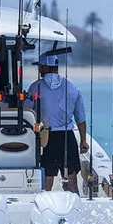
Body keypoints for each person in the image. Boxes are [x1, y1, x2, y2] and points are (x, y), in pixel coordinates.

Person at [26, 55, 89, 194]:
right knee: (71, 178)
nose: (39, 70)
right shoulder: (72, 88)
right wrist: (83, 140)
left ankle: (46, 205)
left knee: (47, 179)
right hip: (67, 137)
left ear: (44, 67)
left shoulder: (35, 87)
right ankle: (75, 206)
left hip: (46, 138)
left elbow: (27, 112)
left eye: (40, 67)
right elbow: (81, 118)